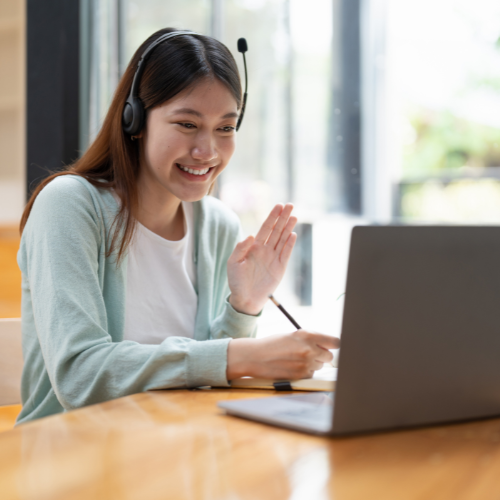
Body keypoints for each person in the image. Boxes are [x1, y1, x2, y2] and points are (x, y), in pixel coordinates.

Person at [16, 28, 339, 424]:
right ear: (134, 119)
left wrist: (245, 305)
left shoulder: (216, 224)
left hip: (176, 450)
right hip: (71, 462)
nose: (208, 151)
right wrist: (241, 356)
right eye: (187, 124)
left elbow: (202, 379)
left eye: (225, 127)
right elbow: (80, 377)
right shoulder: (69, 205)